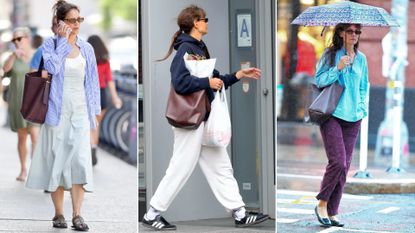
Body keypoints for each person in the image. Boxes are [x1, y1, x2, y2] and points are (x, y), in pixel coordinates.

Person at [142, 5, 270, 231]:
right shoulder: (186, 49)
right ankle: (152, 213)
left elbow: (215, 78)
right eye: (205, 19)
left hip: (202, 117)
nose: (207, 22)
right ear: (195, 23)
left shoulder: (198, 48)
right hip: (190, 121)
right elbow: (180, 82)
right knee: (180, 168)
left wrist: (238, 75)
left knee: (221, 166)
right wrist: (206, 83)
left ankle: (239, 213)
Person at [25, 0, 100, 231]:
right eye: (71, 20)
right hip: (56, 113)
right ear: (60, 23)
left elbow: (93, 82)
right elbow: (54, 68)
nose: (76, 24)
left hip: (79, 112)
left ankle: (77, 215)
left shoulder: (87, 48)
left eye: (79, 19)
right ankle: (59, 214)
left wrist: (94, 113)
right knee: (56, 162)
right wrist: (64, 43)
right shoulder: (50, 45)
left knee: (79, 162)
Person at [314, 23, 369, 227]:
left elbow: (364, 87)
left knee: (344, 167)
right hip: (332, 114)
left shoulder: (362, 59)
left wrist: (361, 108)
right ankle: (322, 203)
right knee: (337, 161)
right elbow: (319, 81)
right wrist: (338, 68)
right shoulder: (330, 55)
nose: (354, 35)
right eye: (350, 31)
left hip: (354, 117)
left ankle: (333, 210)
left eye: (357, 32)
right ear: (340, 33)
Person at [2, 27, 38, 182]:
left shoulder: (37, 55)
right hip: (18, 102)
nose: (16, 42)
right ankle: (23, 169)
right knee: (22, 137)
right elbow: (5, 69)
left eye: (19, 38)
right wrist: (13, 55)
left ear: (27, 38)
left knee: (36, 137)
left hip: (34, 101)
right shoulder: (13, 56)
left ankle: (36, 170)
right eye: (14, 40)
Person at [87, 35, 122, 166]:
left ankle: (88, 151)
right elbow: (110, 81)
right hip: (102, 95)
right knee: (95, 126)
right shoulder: (104, 61)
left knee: (88, 126)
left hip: (89, 94)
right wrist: (115, 97)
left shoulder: (86, 59)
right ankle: (93, 151)